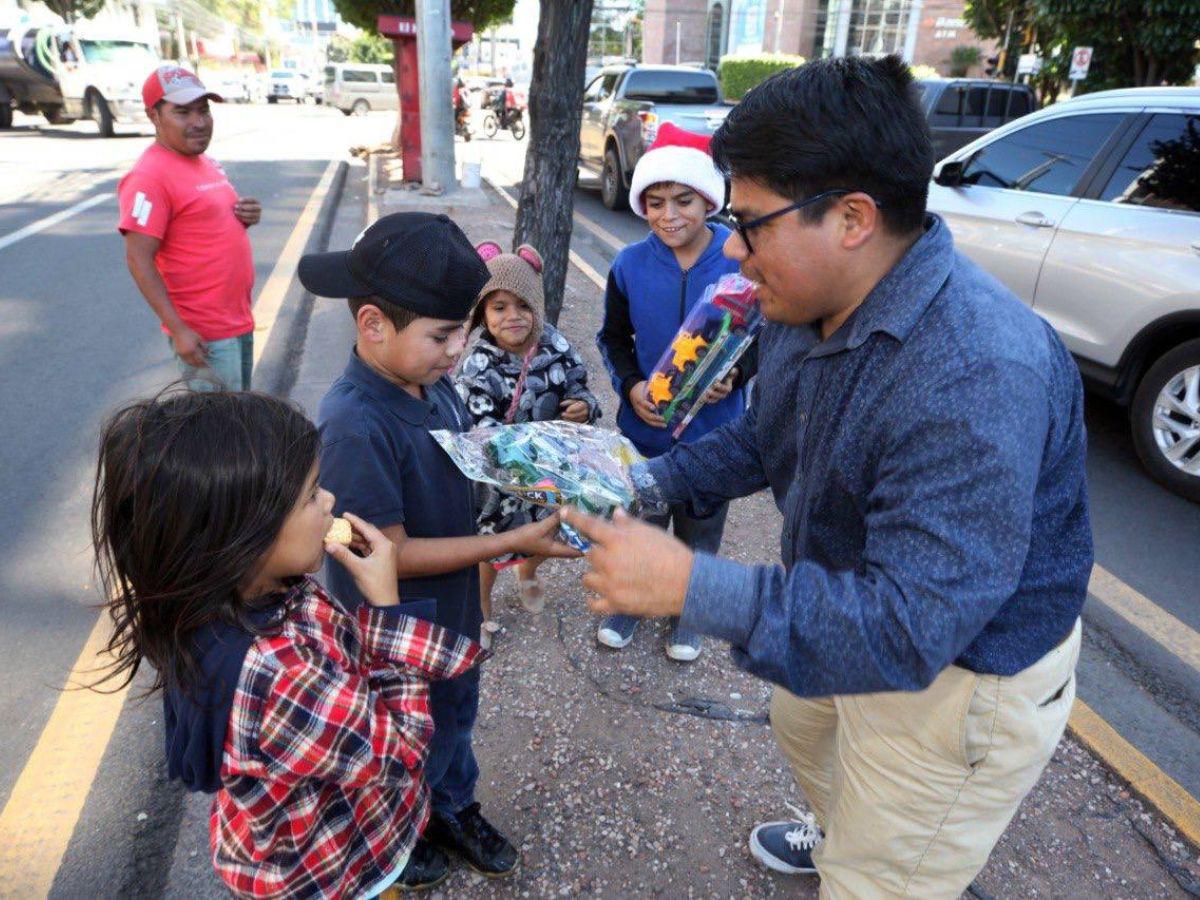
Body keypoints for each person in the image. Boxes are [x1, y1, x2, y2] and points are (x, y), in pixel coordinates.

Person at [564, 55, 1091, 898]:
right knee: (804, 726)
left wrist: (690, 584)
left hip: (959, 678)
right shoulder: (800, 303)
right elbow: (767, 441)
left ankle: (885, 860)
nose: (733, 246)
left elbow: (913, 628)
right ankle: (849, 830)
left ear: (851, 218)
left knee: (879, 878)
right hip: (838, 605)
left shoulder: (975, 373)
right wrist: (636, 490)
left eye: (751, 221)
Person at [90, 390, 484, 899]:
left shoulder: (238, 595)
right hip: (329, 869)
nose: (330, 502)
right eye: (311, 495)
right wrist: (387, 607)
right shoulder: (279, 673)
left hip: (303, 828)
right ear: (244, 537)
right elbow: (402, 753)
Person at [301, 212, 580, 890]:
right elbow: (382, 554)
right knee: (404, 735)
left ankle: (452, 808)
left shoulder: (424, 379)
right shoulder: (353, 424)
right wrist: (510, 543)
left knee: (454, 718)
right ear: (373, 325)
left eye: (464, 330)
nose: (461, 349)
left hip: (448, 613)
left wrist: (534, 463)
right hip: (392, 630)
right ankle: (400, 828)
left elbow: (458, 452)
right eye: (444, 334)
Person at [595, 121, 754, 662]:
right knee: (641, 516)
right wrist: (632, 384)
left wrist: (738, 374)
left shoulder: (740, 258)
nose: (669, 215)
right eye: (656, 202)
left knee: (702, 523)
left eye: (683, 199)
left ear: (708, 198)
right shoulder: (629, 265)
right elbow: (613, 337)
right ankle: (634, 600)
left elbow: (770, 333)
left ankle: (691, 611)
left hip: (717, 430)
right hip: (648, 427)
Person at [454, 241, 600, 621]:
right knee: (490, 545)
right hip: (499, 480)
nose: (512, 316)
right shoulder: (477, 364)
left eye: (523, 305)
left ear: (537, 305)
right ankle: (482, 605)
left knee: (546, 530)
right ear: (483, 314)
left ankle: (529, 570)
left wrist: (584, 407)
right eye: (499, 307)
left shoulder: (556, 344)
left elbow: (579, 384)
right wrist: (510, 455)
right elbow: (476, 426)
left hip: (551, 473)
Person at [118, 66, 262, 391]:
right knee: (220, 434)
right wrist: (179, 330)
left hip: (236, 321)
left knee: (240, 423)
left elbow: (203, 228)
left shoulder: (205, 162)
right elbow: (138, 259)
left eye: (204, 110)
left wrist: (245, 218)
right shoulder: (149, 177)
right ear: (153, 116)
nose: (198, 122)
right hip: (205, 335)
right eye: (182, 112)